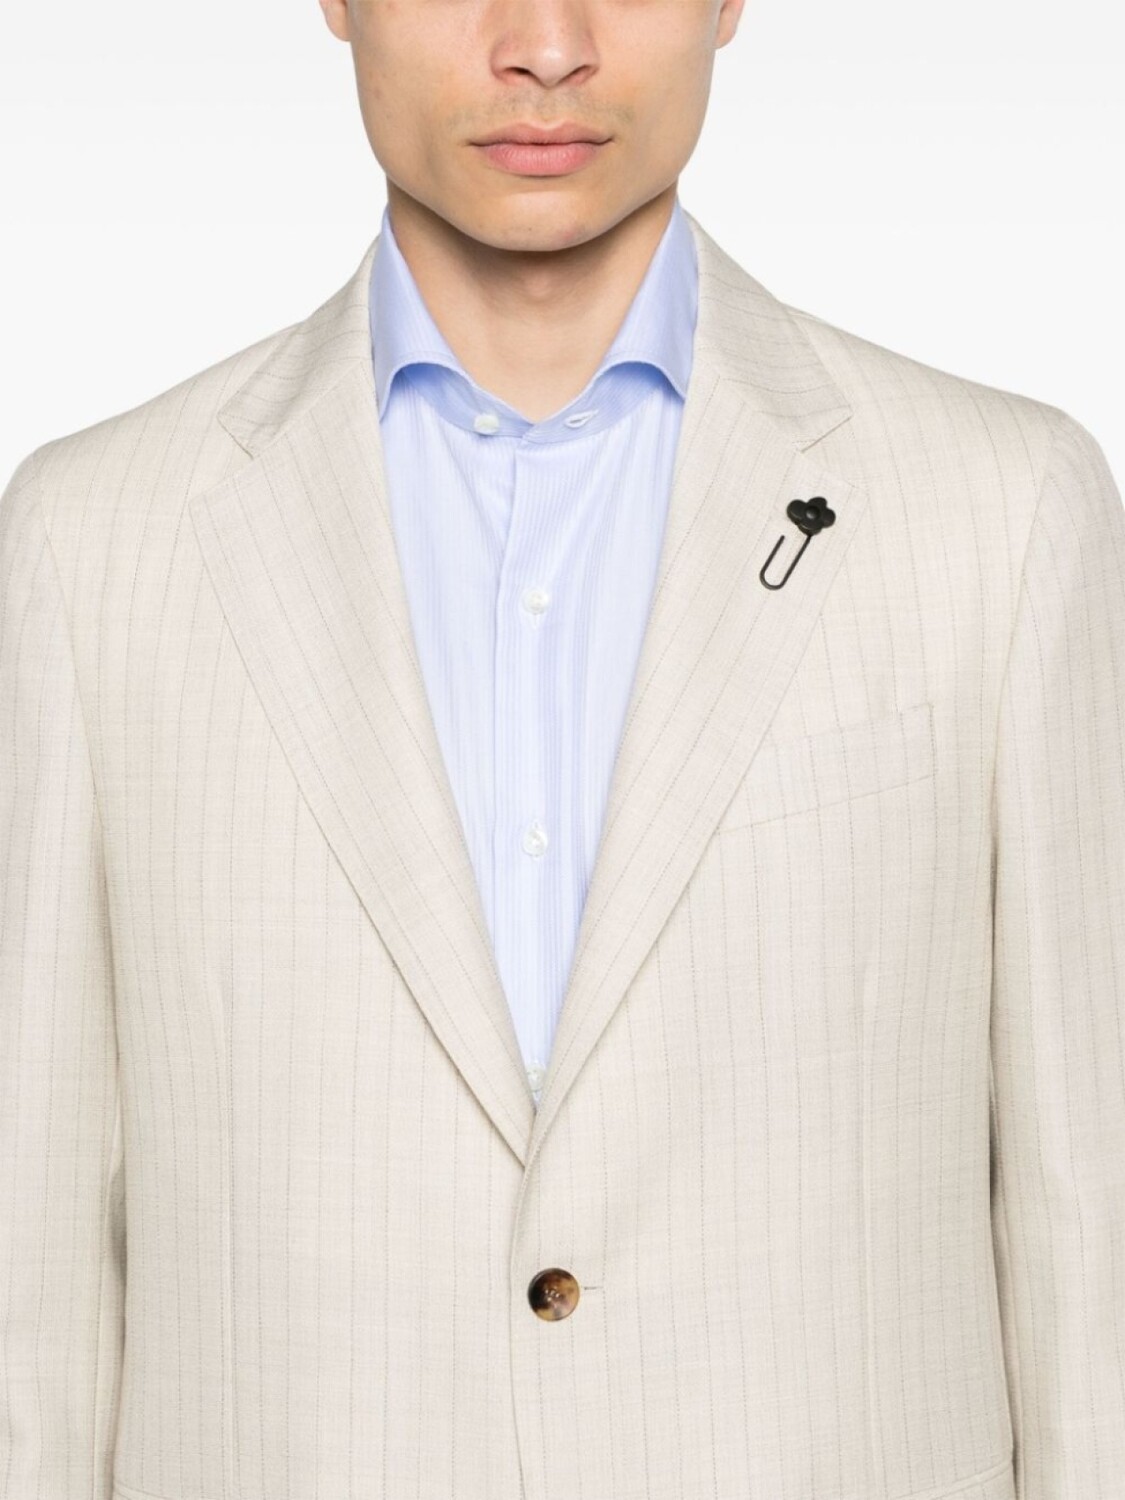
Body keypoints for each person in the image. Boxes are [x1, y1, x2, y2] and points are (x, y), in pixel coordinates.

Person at [2, 1, 1123, 1497]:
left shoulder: (1000, 513)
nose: (544, 42)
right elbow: (30, 1263)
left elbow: (1087, 1227)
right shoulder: (94, 545)